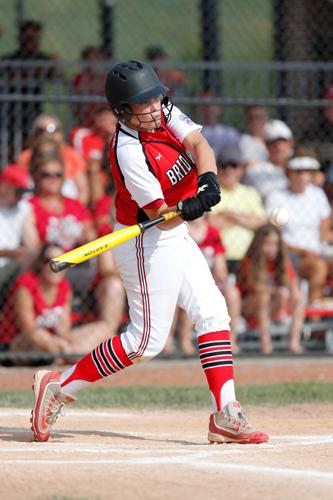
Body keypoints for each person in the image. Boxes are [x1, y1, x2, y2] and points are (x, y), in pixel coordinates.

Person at [30, 59, 268, 445]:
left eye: (156, 100)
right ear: (124, 112)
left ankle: (226, 413)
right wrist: (189, 208)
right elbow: (161, 216)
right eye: (145, 105)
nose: (155, 109)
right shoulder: (127, 150)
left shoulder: (163, 112)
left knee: (212, 312)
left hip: (174, 233)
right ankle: (59, 385)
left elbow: (198, 144)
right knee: (145, 342)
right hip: (146, 240)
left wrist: (207, 182)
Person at [27, 152, 124, 336]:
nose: (52, 179)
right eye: (46, 175)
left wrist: (87, 236)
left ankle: (107, 337)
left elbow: (89, 234)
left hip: (80, 267)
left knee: (112, 284)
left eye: (58, 175)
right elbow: (33, 246)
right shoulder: (31, 206)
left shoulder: (73, 205)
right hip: (49, 268)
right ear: (36, 177)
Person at [0, 243, 112, 356]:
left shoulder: (64, 286)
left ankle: (69, 355)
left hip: (56, 343)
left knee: (104, 329)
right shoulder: (26, 284)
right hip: (20, 344)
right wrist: (58, 343)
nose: (56, 267)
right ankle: (73, 355)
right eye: (50, 261)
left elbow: (64, 331)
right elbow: (28, 329)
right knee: (39, 336)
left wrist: (64, 337)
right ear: (40, 263)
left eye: (62, 262)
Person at [265, 153, 332, 305]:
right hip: (289, 255)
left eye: (307, 171)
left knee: (320, 263)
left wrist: (321, 246)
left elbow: (324, 226)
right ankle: (315, 322)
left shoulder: (317, 194)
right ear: (289, 173)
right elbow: (273, 236)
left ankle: (324, 311)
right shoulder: (277, 196)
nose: (303, 175)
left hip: (317, 253)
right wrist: (303, 251)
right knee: (318, 268)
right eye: (298, 171)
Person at [237, 224, 305, 354]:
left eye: (275, 244)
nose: (272, 248)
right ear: (258, 244)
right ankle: (266, 344)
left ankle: (294, 342)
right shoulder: (250, 260)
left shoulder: (282, 260)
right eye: (267, 244)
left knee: (299, 298)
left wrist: (292, 293)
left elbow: (293, 283)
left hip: (274, 304)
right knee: (264, 297)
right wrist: (278, 292)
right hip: (248, 307)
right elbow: (255, 288)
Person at [1, 20, 60, 158]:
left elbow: (57, 75)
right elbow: (13, 75)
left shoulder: (43, 59)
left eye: (35, 38)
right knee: (10, 146)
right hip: (11, 111)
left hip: (33, 110)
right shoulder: (10, 59)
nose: (31, 42)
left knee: (34, 143)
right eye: (28, 38)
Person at [210, 145, 267, 274]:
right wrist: (247, 219)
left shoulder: (250, 193)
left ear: (241, 169)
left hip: (249, 256)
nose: (229, 170)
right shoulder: (210, 192)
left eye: (234, 165)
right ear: (217, 168)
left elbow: (261, 223)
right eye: (224, 165)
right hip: (218, 258)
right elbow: (212, 224)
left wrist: (231, 216)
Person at [17, 114, 89, 204]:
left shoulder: (72, 155)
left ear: (61, 133)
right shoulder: (25, 157)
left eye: (53, 129)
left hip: (68, 207)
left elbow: (83, 189)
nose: (47, 134)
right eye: (41, 130)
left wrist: (75, 212)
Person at [0, 164, 39, 313]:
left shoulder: (23, 208)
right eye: (18, 191)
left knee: (32, 261)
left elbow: (33, 244)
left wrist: (28, 252)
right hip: (5, 260)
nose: (21, 196)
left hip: (12, 265)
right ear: (4, 187)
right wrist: (7, 253)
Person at [242, 119, 294, 202]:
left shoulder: (302, 167)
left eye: (283, 141)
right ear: (266, 145)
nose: (278, 147)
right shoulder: (255, 170)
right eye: (273, 142)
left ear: (291, 143)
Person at [71, 45, 108, 127]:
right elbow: (76, 100)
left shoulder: (106, 78)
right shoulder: (79, 78)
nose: (95, 62)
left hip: (102, 117)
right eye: (91, 59)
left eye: (98, 58)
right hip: (85, 117)